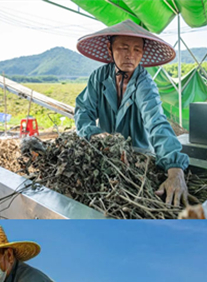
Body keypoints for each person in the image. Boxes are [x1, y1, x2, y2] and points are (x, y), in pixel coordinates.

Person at [75, 20, 190, 207]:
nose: (131, 56)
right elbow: (83, 111)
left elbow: (156, 122)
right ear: (110, 47)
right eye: (124, 47)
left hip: (139, 158)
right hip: (105, 154)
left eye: (137, 50)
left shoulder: (144, 84)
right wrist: (94, 133)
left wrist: (175, 167)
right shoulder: (99, 77)